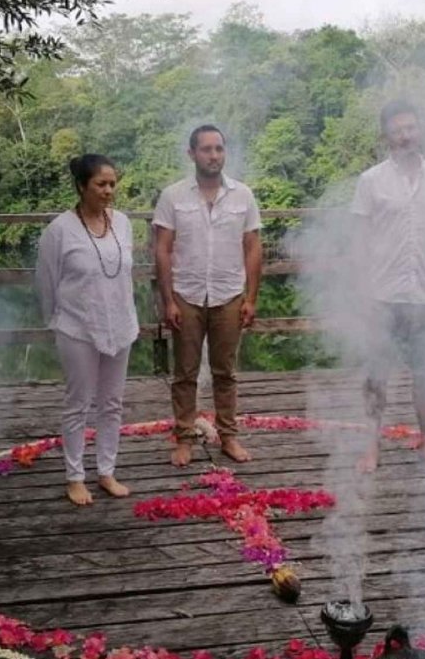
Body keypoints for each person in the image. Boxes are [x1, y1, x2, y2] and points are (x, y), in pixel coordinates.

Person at [351, 99, 425, 473]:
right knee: (376, 373)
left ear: (420, 130)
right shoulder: (371, 181)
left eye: (410, 128)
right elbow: (360, 244)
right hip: (383, 294)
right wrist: (362, 294)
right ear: (386, 135)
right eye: (397, 130)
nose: (405, 136)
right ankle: (370, 445)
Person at [153, 125, 263, 466]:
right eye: (206, 149)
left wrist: (251, 298)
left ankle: (228, 436)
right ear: (192, 154)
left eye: (219, 149)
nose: (214, 155)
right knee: (184, 371)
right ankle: (185, 437)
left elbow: (253, 247)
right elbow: (163, 250)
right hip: (186, 293)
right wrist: (168, 300)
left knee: (225, 371)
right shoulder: (173, 196)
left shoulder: (243, 195)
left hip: (229, 293)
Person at [35, 154, 140, 506]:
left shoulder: (123, 223)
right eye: (101, 184)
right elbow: (46, 282)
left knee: (112, 403)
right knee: (78, 404)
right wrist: (56, 321)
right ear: (82, 187)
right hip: (77, 326)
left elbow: (126, 274)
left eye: (113, 184)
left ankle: (107, 471)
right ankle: (74, 476)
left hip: (120, 324)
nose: (109, 191)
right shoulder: (60, 230)